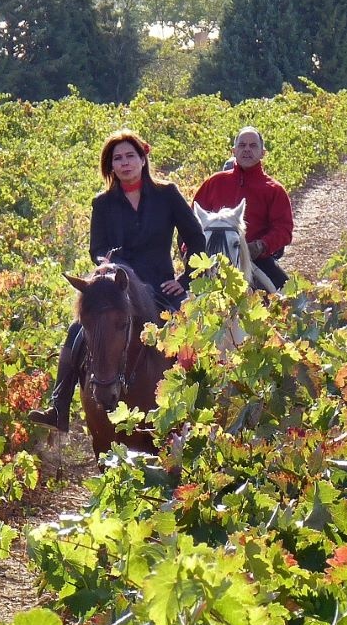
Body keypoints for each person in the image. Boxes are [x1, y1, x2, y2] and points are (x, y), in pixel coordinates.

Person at [28, 129, 205, 432]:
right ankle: (59, 405)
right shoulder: (103, 203)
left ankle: (202, 403)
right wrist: (106, 264)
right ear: (110, 166)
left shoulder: (167, 194)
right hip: (118, 286)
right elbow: (96, 248)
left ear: (142, 159)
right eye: (117, 158)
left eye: (130, 156)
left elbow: (196, 237)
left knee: (193, 334)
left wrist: (186, 278)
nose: (124, 163)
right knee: (77, 330)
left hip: (161, 285)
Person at [192, 126, 295, 290]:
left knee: (289, 296)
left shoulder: (274, 190)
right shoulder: (214, 182)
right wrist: (190, 250)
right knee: (177, 296)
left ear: (263, 153)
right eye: (242, 145)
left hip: (257, 260)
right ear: (233, 151)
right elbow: (191, 222)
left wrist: (260, 246)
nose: (247, 149)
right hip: (210, 259)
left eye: (253, 146)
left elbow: (284, 230)